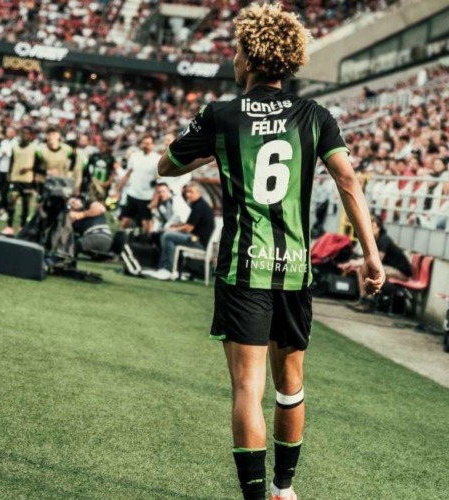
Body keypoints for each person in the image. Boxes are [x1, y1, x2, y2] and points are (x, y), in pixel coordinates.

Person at [157, 4, 385, 499]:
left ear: (250, 57)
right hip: (295, 270)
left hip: (244, 269)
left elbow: (166, 165)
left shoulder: (221, 115)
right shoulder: (316, 116)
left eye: (237, 51)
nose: (234, 59)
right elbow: (348, 179)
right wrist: (371, 253)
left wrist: (213, 147)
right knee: (290, 384)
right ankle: (284, 489)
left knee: (247, 388)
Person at [143, 182, 214, 280]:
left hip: (197, 241)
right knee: (166, 234)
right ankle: (165, 268)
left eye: (191, 192)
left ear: (198, 193)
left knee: (168, 236)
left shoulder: (199, 206)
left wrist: (172, 229)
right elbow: (189, 224)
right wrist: (175, 226)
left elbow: (188, 228)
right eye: (187, 192)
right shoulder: (197, 204)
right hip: (194, 238)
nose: (188, 194)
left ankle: (167, 269)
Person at [342, 216, 412, 312]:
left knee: (373, 271)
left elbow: (377, 260)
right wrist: (354, 263)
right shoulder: (373, 240)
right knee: (360, 270)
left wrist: (354, 262)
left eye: (372, 226)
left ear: (379, 228)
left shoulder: (384, 239)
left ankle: (369, 302)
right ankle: (363, 299)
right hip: (388, 267)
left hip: (402, 272)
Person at [116, 134, 160, 232]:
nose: (145, 145)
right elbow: (127, 174)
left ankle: (147, 240)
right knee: (125, 221)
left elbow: (159, 182)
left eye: (148, 143)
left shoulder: (157, 159)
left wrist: (155, 199)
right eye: (143, 143)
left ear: (153, 145)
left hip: (147, 197)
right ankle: (121, 239)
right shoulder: (134, 156)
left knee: (146, 224)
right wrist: (118, 189)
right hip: (132, 194)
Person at [2, 126, 38, 235]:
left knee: (25, 204)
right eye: (23, 133)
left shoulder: (34, 148)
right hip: (15, 178)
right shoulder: (15, 146)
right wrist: (9, 173)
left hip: (27, 180)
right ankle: (9, 226)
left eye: (27, 133)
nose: (25, 135)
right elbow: (12, 160)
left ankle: (23, 226)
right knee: (11, 202)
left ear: (31, 136)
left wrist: (29, 169)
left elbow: (37, 164)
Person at [0, 125, 16, 220]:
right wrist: (1, 154)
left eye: (11, 132)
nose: (8, 133)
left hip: (9, 170)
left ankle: (3, 209)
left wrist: (7, 154)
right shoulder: (3, 142)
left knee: (5, 191)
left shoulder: (16, 143)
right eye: (8, 132)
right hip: (0, 169)